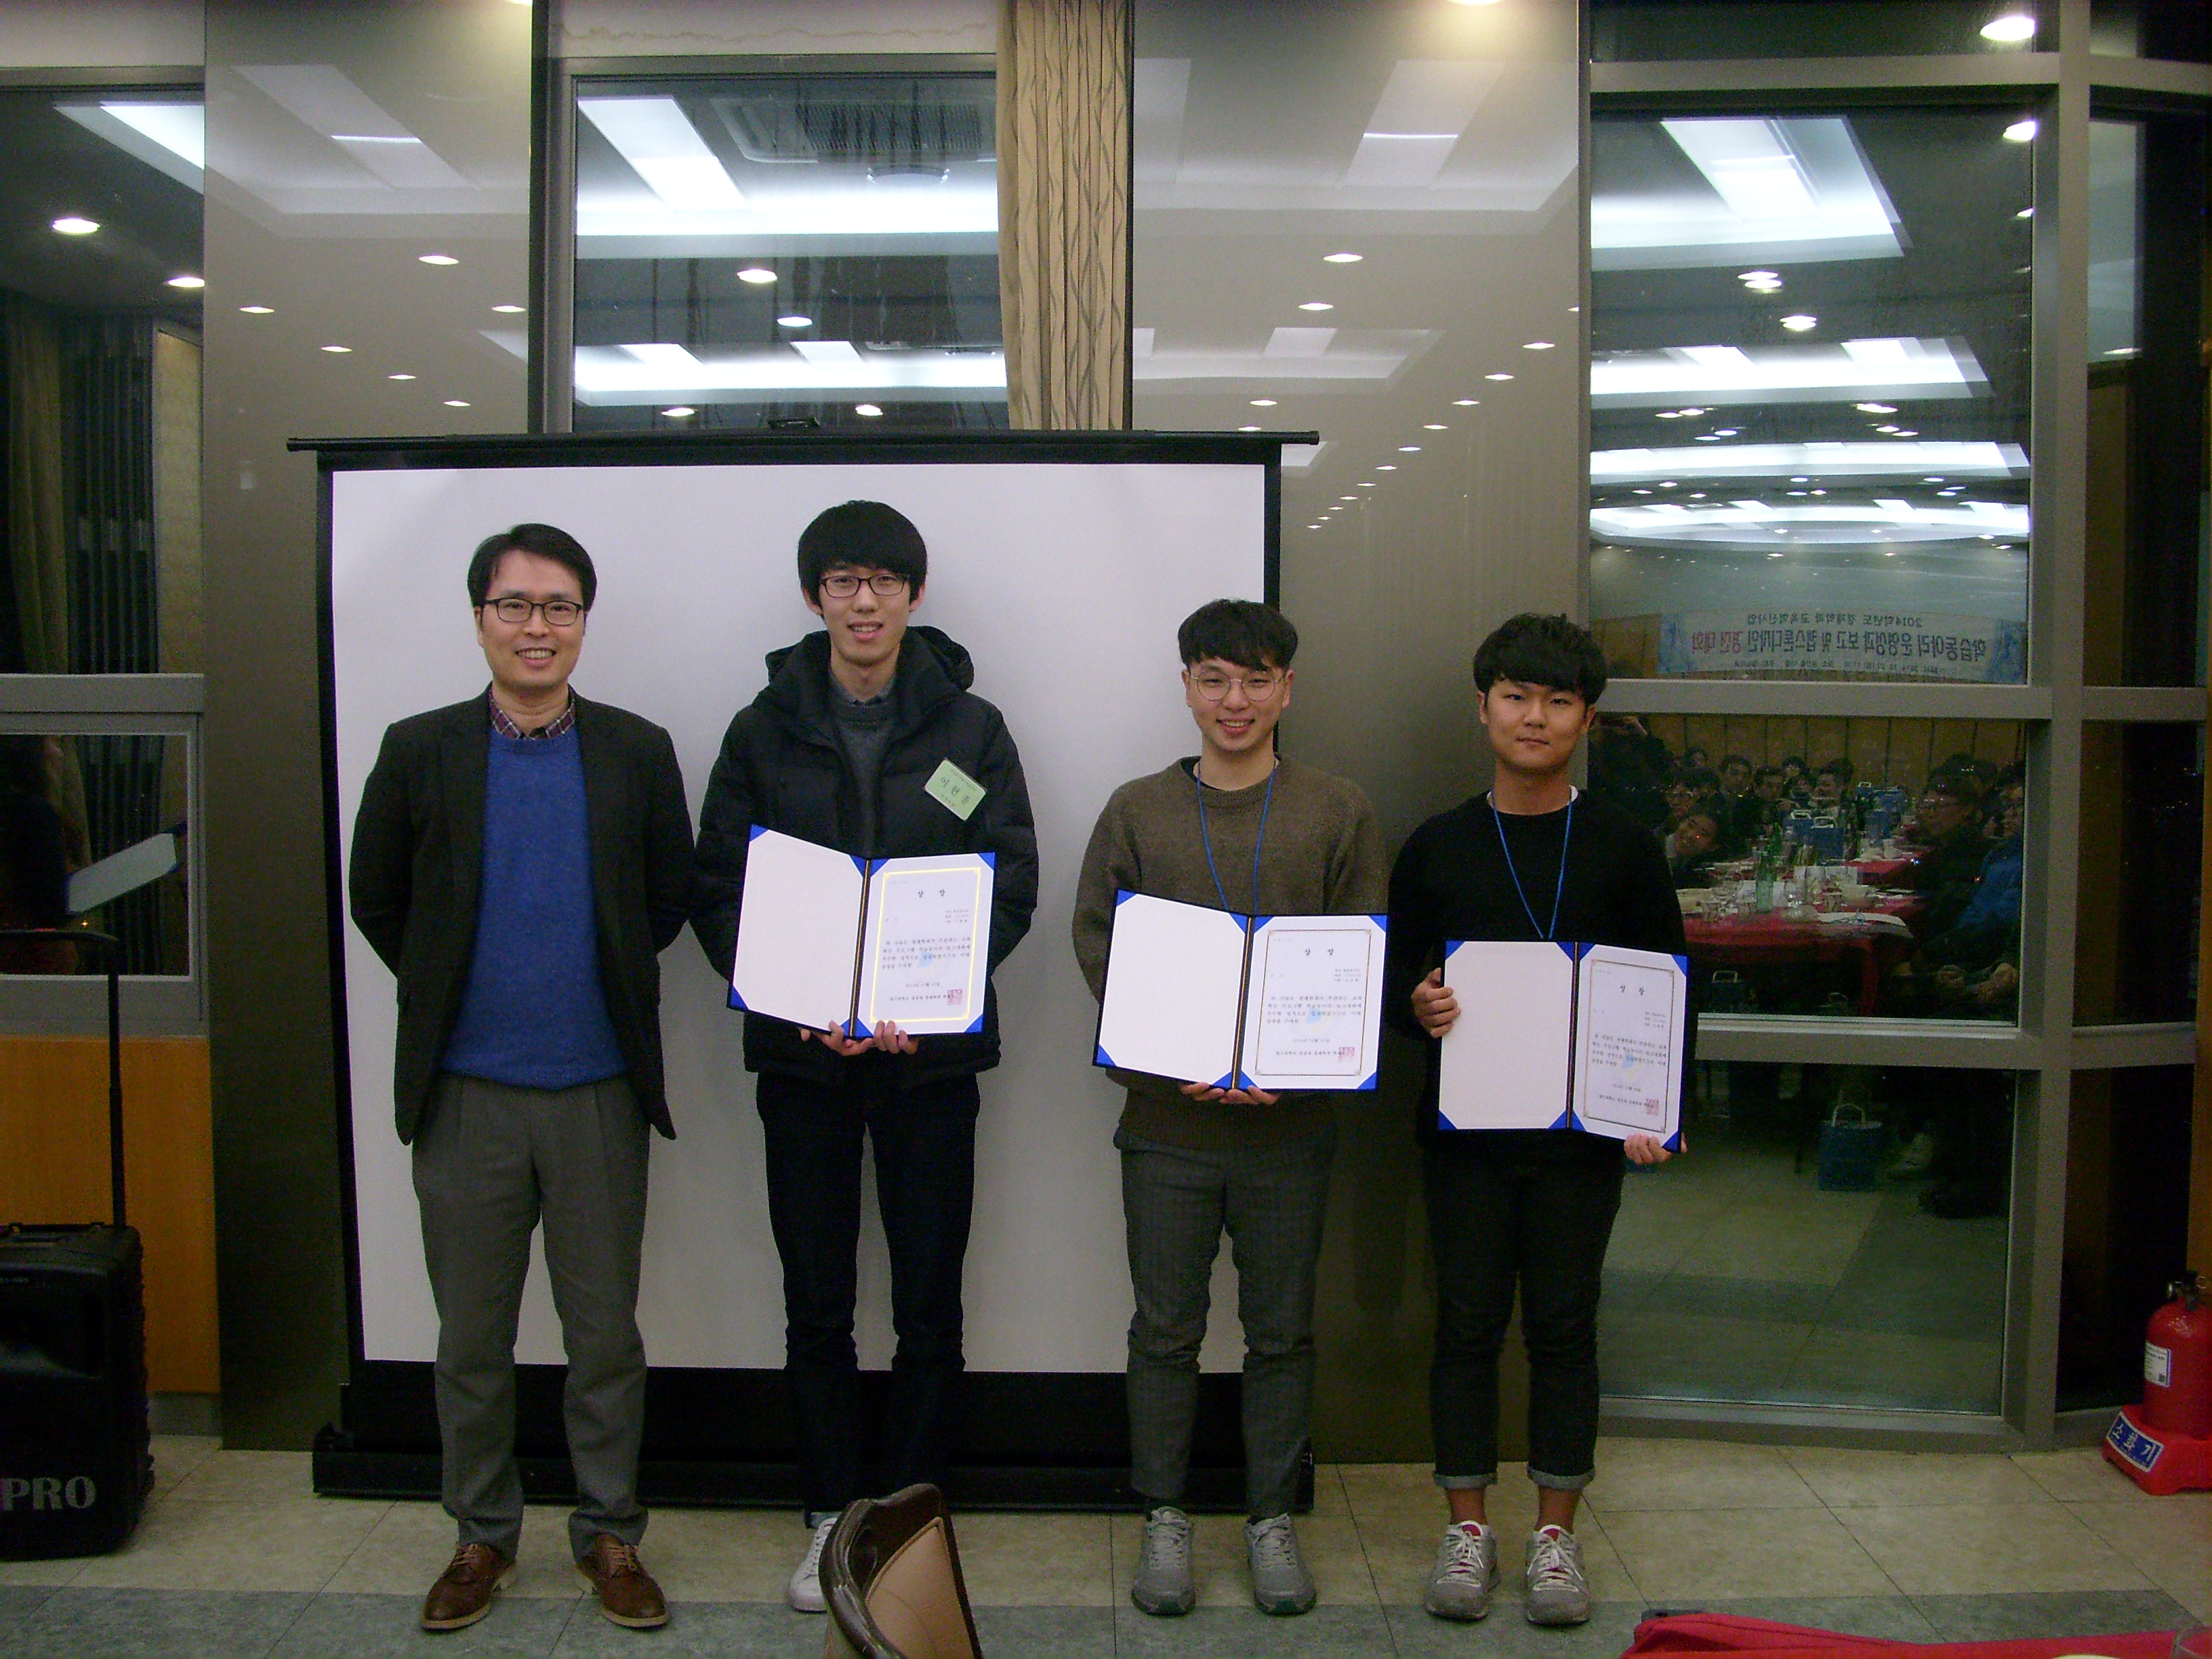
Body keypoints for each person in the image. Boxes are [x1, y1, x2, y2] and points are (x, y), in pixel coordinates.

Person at [690, 499, 1038, 1614]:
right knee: (818, 1302)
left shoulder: (971, 729)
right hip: (803, 1066)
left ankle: (912, 1522)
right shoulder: (761, 729)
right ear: (815, 598)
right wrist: (796, 1003)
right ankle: (828, 1518)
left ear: (915, 595)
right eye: (843, 581)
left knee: (931, 1304)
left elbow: (1009, 881)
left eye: (885, 581)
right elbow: (718, 889)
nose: (865, 601)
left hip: (929, 1064)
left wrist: (922, 1004)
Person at [349, 523, 694, 1634]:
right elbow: (378, 895)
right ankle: (480, 1536)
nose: (537, 627)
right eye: (515, 605)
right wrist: (449, 980)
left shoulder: (636, 750)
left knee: (605, 1339)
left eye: (559, 607)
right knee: (471, 1340)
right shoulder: (420, 748)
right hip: (465, 1094)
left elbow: (667, 899)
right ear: (480, 619)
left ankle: (610, 1534)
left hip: (599, 1089)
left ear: (584, 622)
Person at [1071, 599, 1386, 1620]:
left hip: (1290, 1130)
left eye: (1256, 679)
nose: (1234, 700)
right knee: (1165, 1330)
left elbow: (1361, 952)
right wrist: (1170, 1060)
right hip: (1167, 1128)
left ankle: (1269, 1518)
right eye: (1214, 678)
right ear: (1187, 688)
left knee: (1281, 1334)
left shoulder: (1337, 810)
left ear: (1287, 689)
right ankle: (1164, 1514)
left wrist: (1297, 1069)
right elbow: (1096, 941)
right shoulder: (1137, 810)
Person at [1385, 613, 1688, 1629]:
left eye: (1559, 702)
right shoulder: (1437, 845)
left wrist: (1660, 1111)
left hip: (1581, 1144)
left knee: (1564, 1328)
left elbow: (1666, 988)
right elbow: (1397, 980)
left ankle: (1556, 1536)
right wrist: (1418, 1004)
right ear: (1483, 708)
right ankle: (1467, 1529)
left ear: (1586, 720)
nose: (1535, 717)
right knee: (1466, 1326)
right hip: (1465, 1137)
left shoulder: (1624, 847)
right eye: (1516, 696)